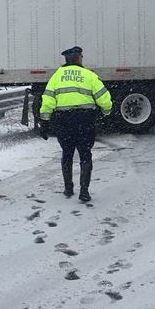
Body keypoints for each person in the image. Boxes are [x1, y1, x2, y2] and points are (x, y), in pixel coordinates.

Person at [39, 46, 113, 201]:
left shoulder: (56, 76)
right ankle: (84, 191)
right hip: (85, 120)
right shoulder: (89, 75)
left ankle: (68, 188)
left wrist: (44, 122)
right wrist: (106, 112)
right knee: (85, 155)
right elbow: (104, 98)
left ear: (66, 59)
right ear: (80, 59)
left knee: (67, 154)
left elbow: (47, 101)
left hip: (63, 121)